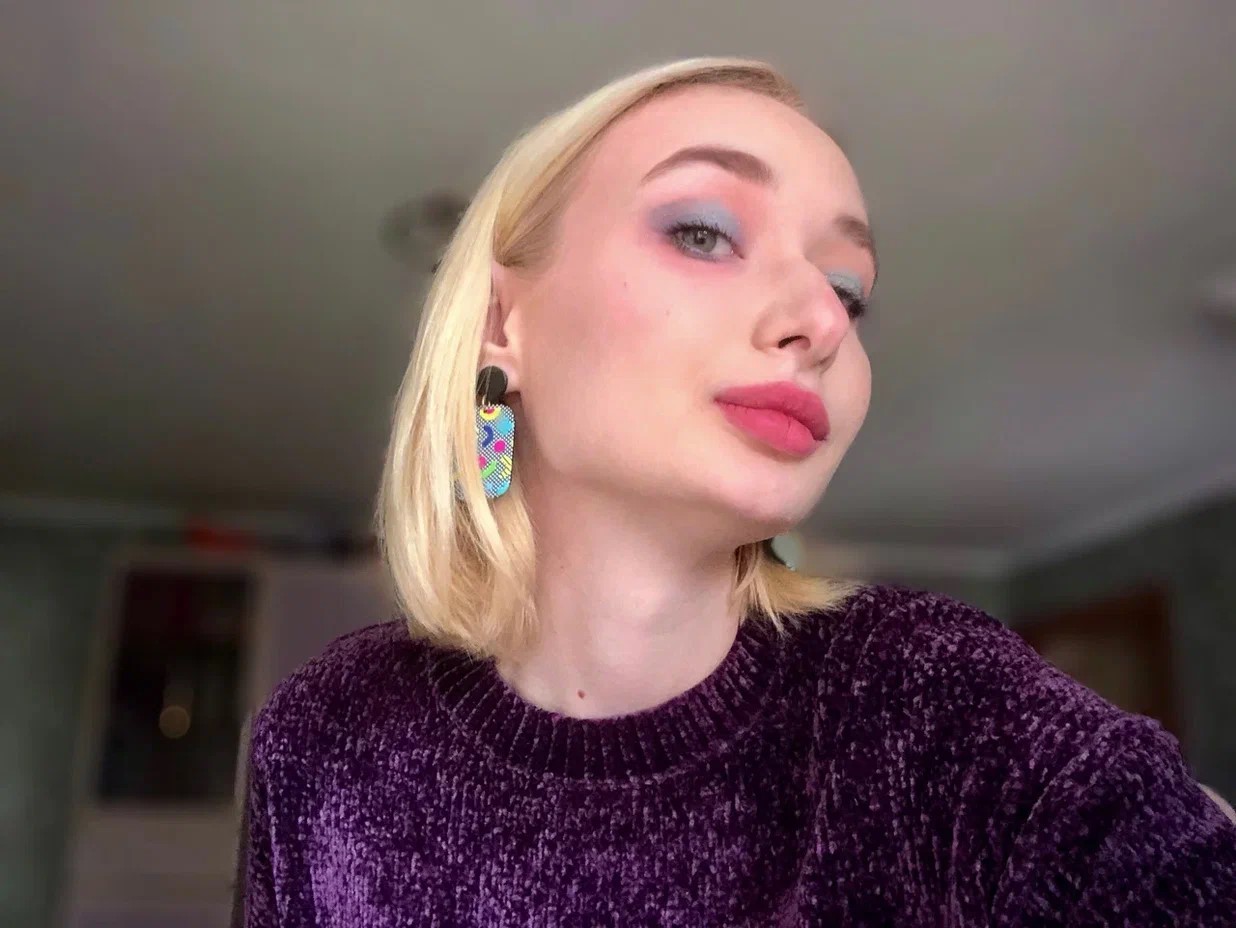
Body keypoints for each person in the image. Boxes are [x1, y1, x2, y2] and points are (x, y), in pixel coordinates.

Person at [237, 56, 1236, 926]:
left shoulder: (927, 700)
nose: (823, 321)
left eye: (848, 289)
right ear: (504, 324)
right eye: (704, 232)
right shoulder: (327, 729)